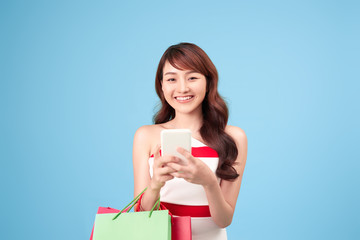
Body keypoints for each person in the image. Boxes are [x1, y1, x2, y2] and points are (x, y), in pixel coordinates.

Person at [133, 42, 248, 240]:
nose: (182, 88)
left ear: (208, 82)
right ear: (161, 85)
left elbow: (224, 220)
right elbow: (141, 217)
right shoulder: (146, 136)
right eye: (171, 79)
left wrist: (209, 182)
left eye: (192, 77)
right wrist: (155, 185)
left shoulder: (234, 138)